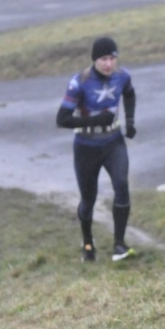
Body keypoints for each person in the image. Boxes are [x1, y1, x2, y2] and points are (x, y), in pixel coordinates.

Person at [56, 36, 138, 263]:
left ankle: (119, 245)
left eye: (112, 58)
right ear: (95, 60)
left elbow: (130, 94)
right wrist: (95, 121)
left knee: (122, 186)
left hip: (114, 142)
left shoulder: (122, 76)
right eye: (103, 59)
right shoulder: (80, 82)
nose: (109, 64)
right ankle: (88, 243)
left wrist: (130, 121)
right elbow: (62, 119)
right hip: (86, 147)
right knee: (88, 199)